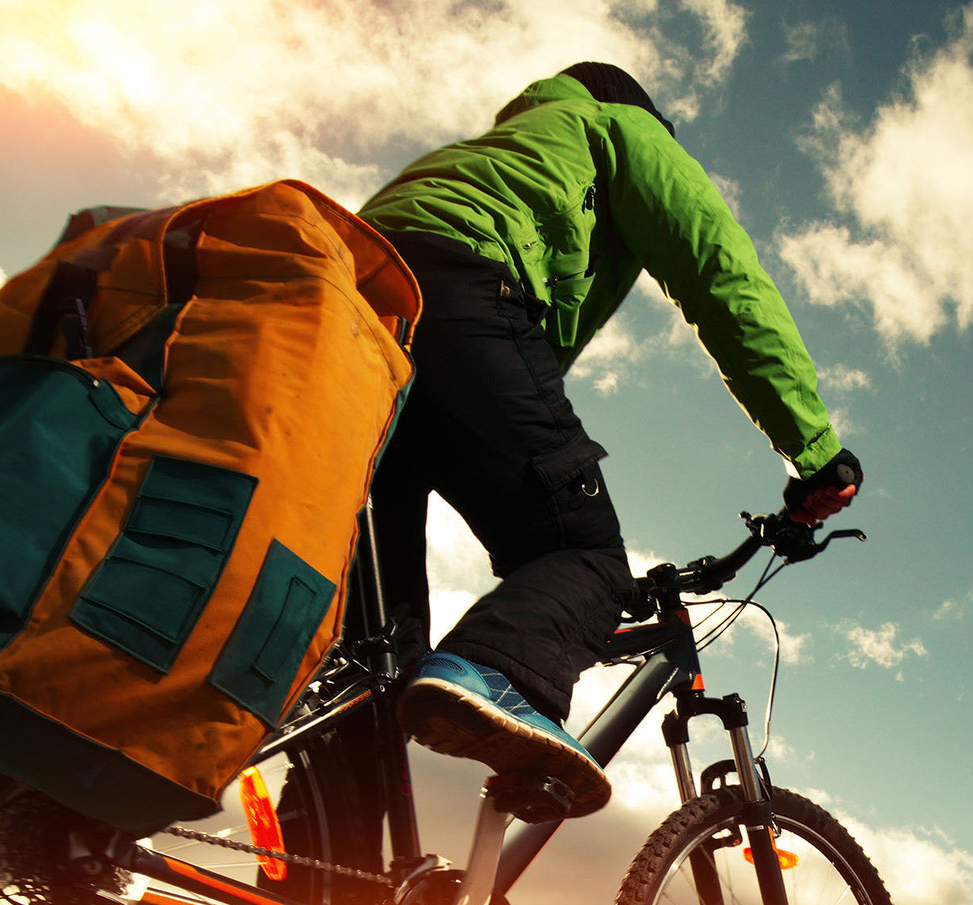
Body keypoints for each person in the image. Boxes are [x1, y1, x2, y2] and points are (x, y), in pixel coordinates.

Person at [357, 61, 861, 815]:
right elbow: (723, 280)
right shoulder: (621, 131)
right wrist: (815, 451)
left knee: (373, 668)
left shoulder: (509, 147)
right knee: (580, 555)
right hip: (461, 291)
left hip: (353, 324)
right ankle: (495, 676)